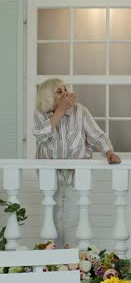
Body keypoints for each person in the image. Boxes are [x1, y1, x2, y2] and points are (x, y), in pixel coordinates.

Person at [33, 78, 121, 247]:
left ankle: (70, 260)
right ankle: (55, 259)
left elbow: (97, 136)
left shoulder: (80, 111)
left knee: (72, 218)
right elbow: (40, 135)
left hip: (76, 172)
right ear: (48, 97)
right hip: (50, 173)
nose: (65, 93)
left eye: (65, 89)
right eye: (59, 91)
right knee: (54, 215)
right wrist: (60, 111)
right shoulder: (39, 114)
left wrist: (108, 151)